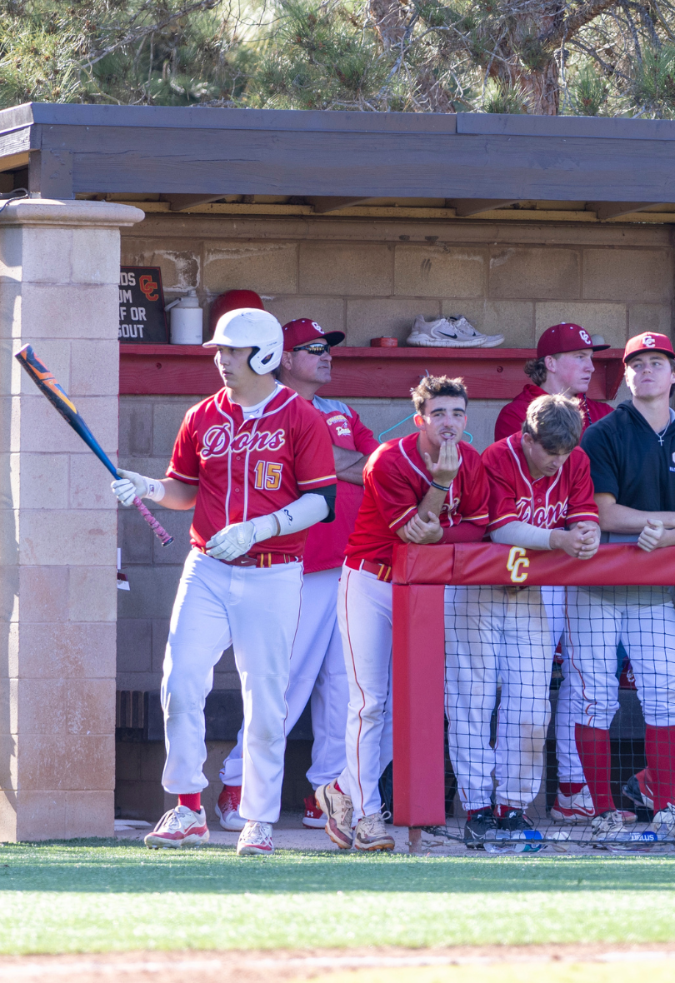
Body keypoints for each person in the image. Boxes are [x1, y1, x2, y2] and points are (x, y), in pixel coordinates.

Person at [113, 307, 337, 855]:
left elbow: (322, 501)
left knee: (266, 700)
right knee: (180, 682)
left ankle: (258, 817)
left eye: (231, 351)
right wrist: (148, 487)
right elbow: (183, 490)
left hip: (273, 571)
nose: (220, 359)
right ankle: (187, 807)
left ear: (263, 354)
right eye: (219, 350)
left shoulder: (299, 416)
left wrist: (261, 527)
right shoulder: (202, 416)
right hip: (208, 567)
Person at [213, 319, 375, 835]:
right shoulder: (273, 409)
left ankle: (327, 791)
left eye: (328, 348)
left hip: (348, 564)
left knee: (342, 686)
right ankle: (237, 782)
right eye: (313, 349)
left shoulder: (344, 410)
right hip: (295, 565)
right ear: (282, 357)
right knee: (285, 682)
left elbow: (374, 466)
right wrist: (342, 462)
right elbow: (320, 468)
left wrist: (344, 462)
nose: (326, 356)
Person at [320, 375, 490, 852]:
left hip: (427, 589)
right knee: (368, 702)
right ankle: (370, 816)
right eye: (439, 414)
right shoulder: (388, 459)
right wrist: (440, 485)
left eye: (457, 414)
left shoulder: (472, 462)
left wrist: (443, 537)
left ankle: (340, 791)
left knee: (407, 708)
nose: (449, 424)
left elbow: (480, 526)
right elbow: (414, 534)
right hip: (371, 580)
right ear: (420, 420)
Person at [573, 332, 675, 842]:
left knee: (667, 697)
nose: (647, 371)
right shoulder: (604, 432)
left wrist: (661, 534)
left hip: (653, 589)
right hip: (597, 582)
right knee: (594, 699)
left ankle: (665, 804)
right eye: (637, 364)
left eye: (657, 363)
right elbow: (606, 512)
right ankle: (604, 809)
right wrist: (663, 523)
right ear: (627, 376)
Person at [453, 395, 600, 843]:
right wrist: (560, 538)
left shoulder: (575, 461)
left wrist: (587, 532)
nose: (558, 462)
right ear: (526, 437)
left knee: (532, 705)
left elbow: (584, 515)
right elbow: (501, 529)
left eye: (565, 452)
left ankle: (513, 806)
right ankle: (477, 807)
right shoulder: (496, 457)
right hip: (475, 590)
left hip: (529, 593)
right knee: (471, 700)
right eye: (549, 451)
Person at [494, 321, 616, 808]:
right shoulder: (515, 415)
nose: (590, 365)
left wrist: (586, 528)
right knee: (522, 689)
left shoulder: (603, 414)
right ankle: (498, 800)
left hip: (579, 566)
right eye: (579, 356)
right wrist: (568, 532)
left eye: (592, 356)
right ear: (549, 363)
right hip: (526, 572)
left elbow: (591, 494)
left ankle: (572, 785)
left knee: (587, 679)